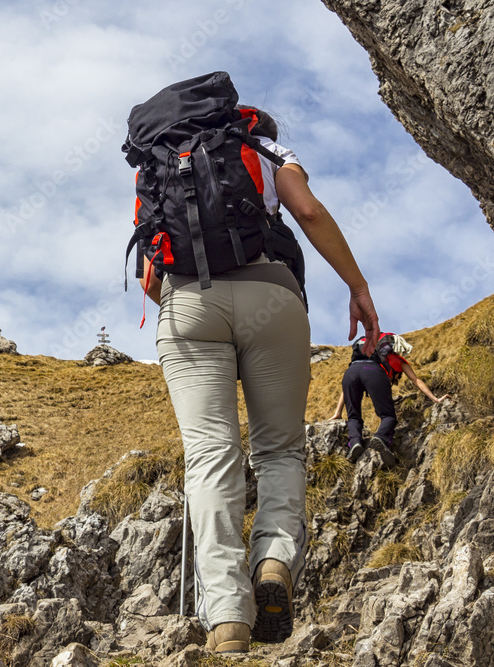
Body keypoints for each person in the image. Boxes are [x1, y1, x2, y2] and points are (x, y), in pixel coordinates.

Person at [140, 107, 380, 653]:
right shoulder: (270, 153)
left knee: (209, 453)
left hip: (188, 305)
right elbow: (310, 214)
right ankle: (273, 564)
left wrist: (194, 309)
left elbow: (150, 271)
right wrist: (358, 286)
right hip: (273, 296)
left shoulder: (158, 161)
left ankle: (226, 617)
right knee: (279, 450)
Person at [329, 335, 451, 461]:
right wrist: (435, 399)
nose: (395, 382)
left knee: (353, 416)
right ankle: (381, 438)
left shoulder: (369, 356)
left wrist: (338, 412)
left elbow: (345, 390)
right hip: (373, 372)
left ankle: (355, 443)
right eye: (397, 380)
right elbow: (416, 380)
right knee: (388, 416)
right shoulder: (398, 360)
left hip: (350, 372)